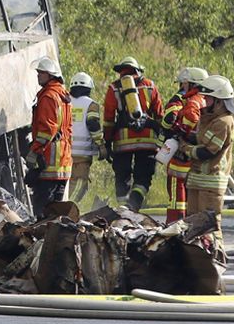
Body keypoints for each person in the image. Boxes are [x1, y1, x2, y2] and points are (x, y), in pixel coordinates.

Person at [102, 56, 163, 211]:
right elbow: (159, 114)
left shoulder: (114, 88)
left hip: (122, 142)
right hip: (147, 142)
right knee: (143, 176)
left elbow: (109, 119)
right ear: (137, 70)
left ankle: (123, 210)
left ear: (121, 71)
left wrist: (107, 142)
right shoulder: (149, 86)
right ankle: (134, 203)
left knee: (122, 176)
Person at [183, 74, 234, 248]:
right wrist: (181, 136)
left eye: (208, 99)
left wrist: (184, 148)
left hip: (211, 182)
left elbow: (207, 151)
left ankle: (215, 254)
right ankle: (194, 255)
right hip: (197, 180)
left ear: (220, 102)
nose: (204, 102)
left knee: (209, 224)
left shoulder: (224, 122)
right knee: (192, 221)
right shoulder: (209, 120)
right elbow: (200, 140)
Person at [26, 56, 73, 217]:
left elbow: (47, 129)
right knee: (57, 213)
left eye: (41, 73)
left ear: (51, 75)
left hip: (48, 163)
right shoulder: (63, 96)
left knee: (42, 212)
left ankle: (42, 240)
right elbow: (68, 129)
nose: (38, 75)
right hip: (63, 163)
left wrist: (35, 151)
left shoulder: (48, 97)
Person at [160, 67, 208, 223]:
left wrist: (181, 130)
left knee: (176, 191)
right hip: (194, 155)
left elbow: (188, 118)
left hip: (181, 157)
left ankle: (174, 222)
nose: (182, 87)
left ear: (191, 84)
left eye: (184, 84)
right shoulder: (207, 100)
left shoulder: (193, 101)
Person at [67, 72, 106, 204]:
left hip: (64, 153)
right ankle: (68, 210)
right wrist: (101, 145)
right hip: (82, 154)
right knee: (79, 185)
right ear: (89, 88)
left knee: (65, 184)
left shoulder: (65, 102)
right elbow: (93, 124)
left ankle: (59, 210)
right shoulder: (91, 105)